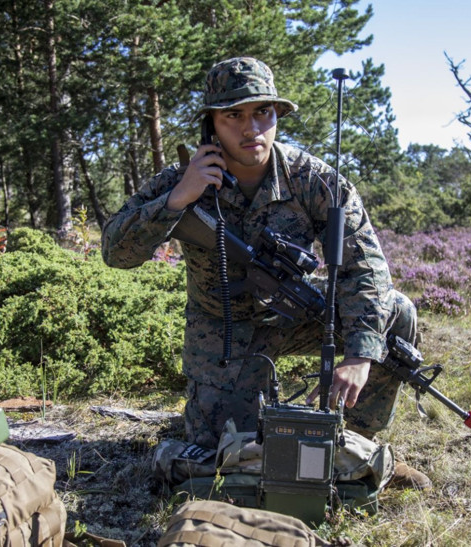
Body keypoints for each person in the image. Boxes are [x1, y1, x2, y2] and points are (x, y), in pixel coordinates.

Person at [102, 57, 430, 489]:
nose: (250, 128)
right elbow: (115, 252)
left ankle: (355, 450)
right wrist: (178, 199)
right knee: (223, 456)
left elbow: (366, 270)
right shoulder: (181, 178)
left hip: (295, 310)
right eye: (233, 116)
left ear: (277, 116)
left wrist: (357, 355)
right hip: (222, 332)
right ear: (211, 124)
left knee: (396, 314)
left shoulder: (313, 179)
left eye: (262, 112)